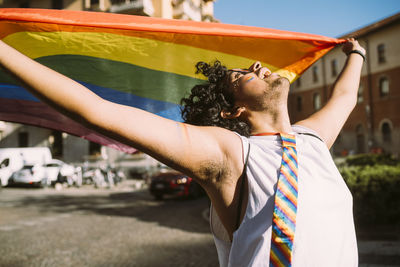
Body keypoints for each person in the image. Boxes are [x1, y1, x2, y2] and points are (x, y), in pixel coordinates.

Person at [0, 37, 365, 266]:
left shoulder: (311, 140)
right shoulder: (231, 153)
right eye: (240, 77)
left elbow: (346, 97)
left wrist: (357, 53)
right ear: (232, 111)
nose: (256, 66)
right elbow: (95, 110)